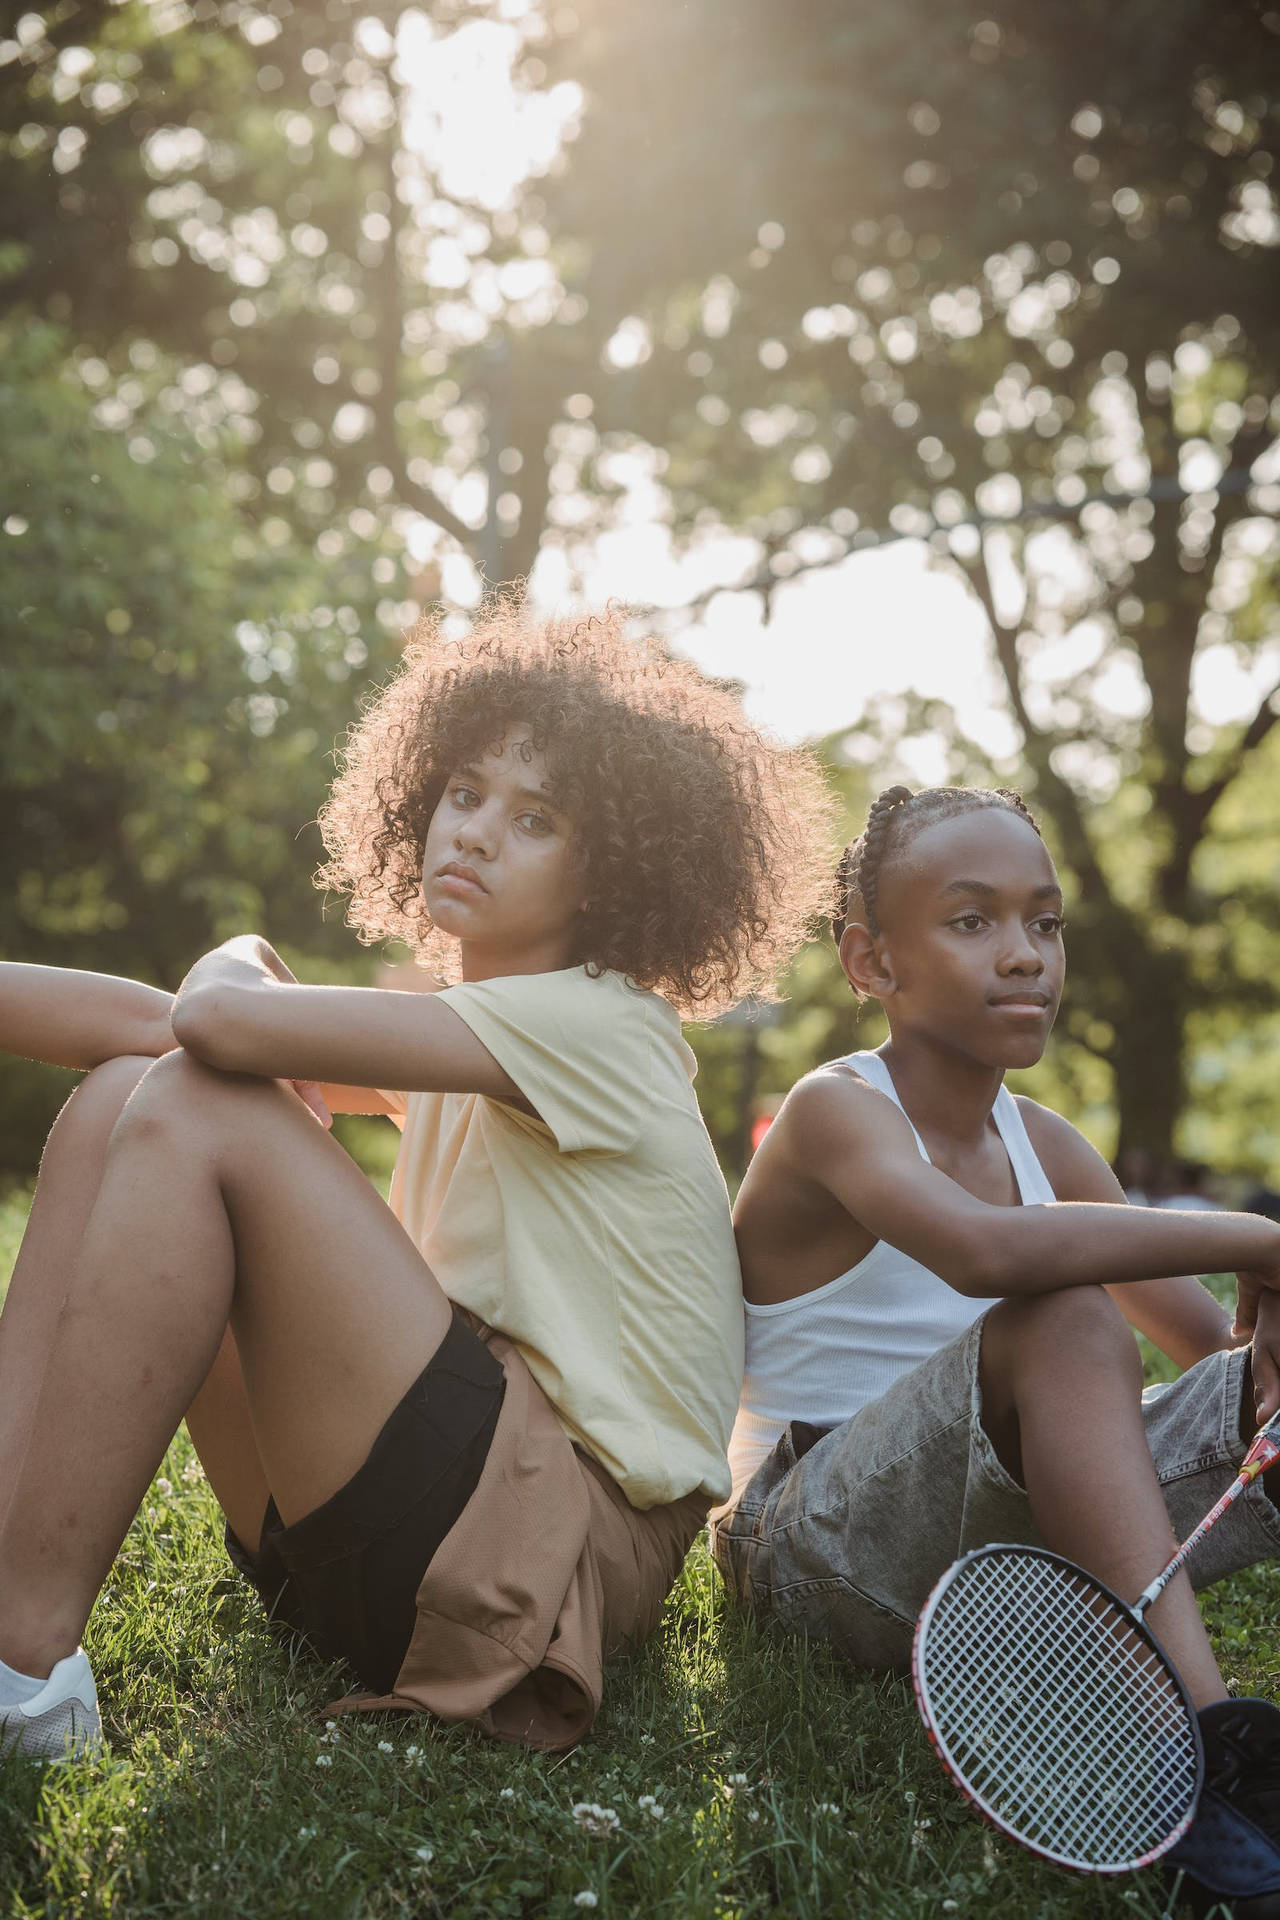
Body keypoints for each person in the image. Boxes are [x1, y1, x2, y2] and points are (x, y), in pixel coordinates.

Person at [0, 604, 833, 1760]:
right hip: (409, 1526)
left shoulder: (602, 1028)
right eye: (464, 791)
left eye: (535, 819)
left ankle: (25, 1670)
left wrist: (237, 977)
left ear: (614, 873)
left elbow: (212, 1019)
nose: (476, 832)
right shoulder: (461, 1041)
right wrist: (224, 1017)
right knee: (116, 1101)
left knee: (193, 1097)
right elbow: (167, 1027)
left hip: (538, 1553)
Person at [714, 783, 1280, 1918]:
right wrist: (1259, 1236)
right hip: (809, 1544)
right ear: (870, 961)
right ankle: (1216, 1776)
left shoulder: (1047, 1145)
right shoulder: (837, 1109)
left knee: (1112, 1333)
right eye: (971, 922)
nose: (1022, 956)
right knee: (1065, 1310)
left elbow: (1202, 1353)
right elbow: (979, 1253)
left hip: (995, 1537)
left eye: (1044, 923)